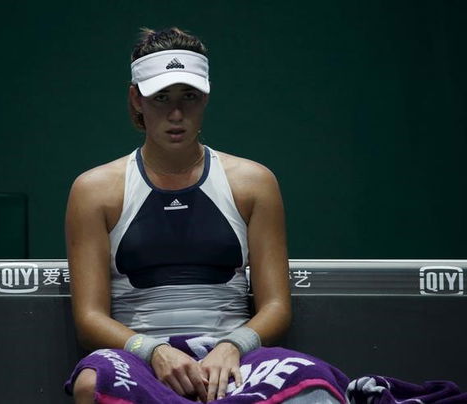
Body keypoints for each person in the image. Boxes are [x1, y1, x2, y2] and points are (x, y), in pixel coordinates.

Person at [64, 27, 348, 403]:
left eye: (189, 96)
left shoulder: (254, 182)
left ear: (206, 97)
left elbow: (277, 305)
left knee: (312, 382)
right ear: (136, 99)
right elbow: (89, 320)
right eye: (161, 97)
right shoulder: (94, 190)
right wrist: (154, 351)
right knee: (91, 382)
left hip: (233, 356)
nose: (176, 113)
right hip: (139, 359)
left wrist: (232, 346)